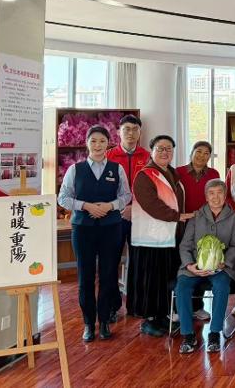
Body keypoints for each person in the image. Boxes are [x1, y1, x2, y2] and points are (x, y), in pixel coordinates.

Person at [58, 125, 131, 342]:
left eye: (102, 141)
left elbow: (126, 195)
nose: (98, 145)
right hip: (83, 230)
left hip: (111, 228)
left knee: (108, 275)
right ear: (87, 143)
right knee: (85, 277)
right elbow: (63, 198)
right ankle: (89, 323)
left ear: (108, 143)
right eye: (93, 141)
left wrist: (109, 206)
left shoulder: (117, 169)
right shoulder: (75, 170)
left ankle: (105, 320)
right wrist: (85, 206)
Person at [128, 135, 194, 337]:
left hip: (170, 237)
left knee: (165, 279)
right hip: (150, 239)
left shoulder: (172, 174)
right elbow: (151, 204)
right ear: (152, 151)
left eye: (168, 149)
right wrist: (178, 216)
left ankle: (162, 315)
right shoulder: (144, 175)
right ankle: (149, 320)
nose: (165, 152)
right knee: (151, 280)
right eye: (160, 148)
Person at [175, 179, 235, 354]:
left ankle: (214, 333)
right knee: (182, 286)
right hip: (195, 266)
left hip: (220, 267)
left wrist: (224, 262)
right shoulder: (197, 217)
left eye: (219, 193)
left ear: (225, 196)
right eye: (211, 193)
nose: (215, 197)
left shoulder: (233, 218)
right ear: (206, 196)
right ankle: (188, 335)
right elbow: (185, 245)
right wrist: (190, 265)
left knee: (222, 285)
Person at [106, 113, 150, 320]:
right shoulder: (109, 156)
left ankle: (136, 304)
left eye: (135, 129)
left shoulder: (147, 156)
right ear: (118, 132)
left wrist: (136, 209)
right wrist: (120, 207)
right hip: (114, 217)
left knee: (139, 262)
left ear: (140, 132)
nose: (131, 134)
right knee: (110, 262)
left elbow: (152, 188)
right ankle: (112, 305)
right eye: (126, 130)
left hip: (140, 217)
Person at [177, 141, 221, 213]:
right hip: (183, 216)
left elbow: (217, 198)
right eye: (199, 151)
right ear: (192, 153)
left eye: (206, 153)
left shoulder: (214, 174)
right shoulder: (178, 172)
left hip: (207, 216)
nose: (202, 155)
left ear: (209, 157)